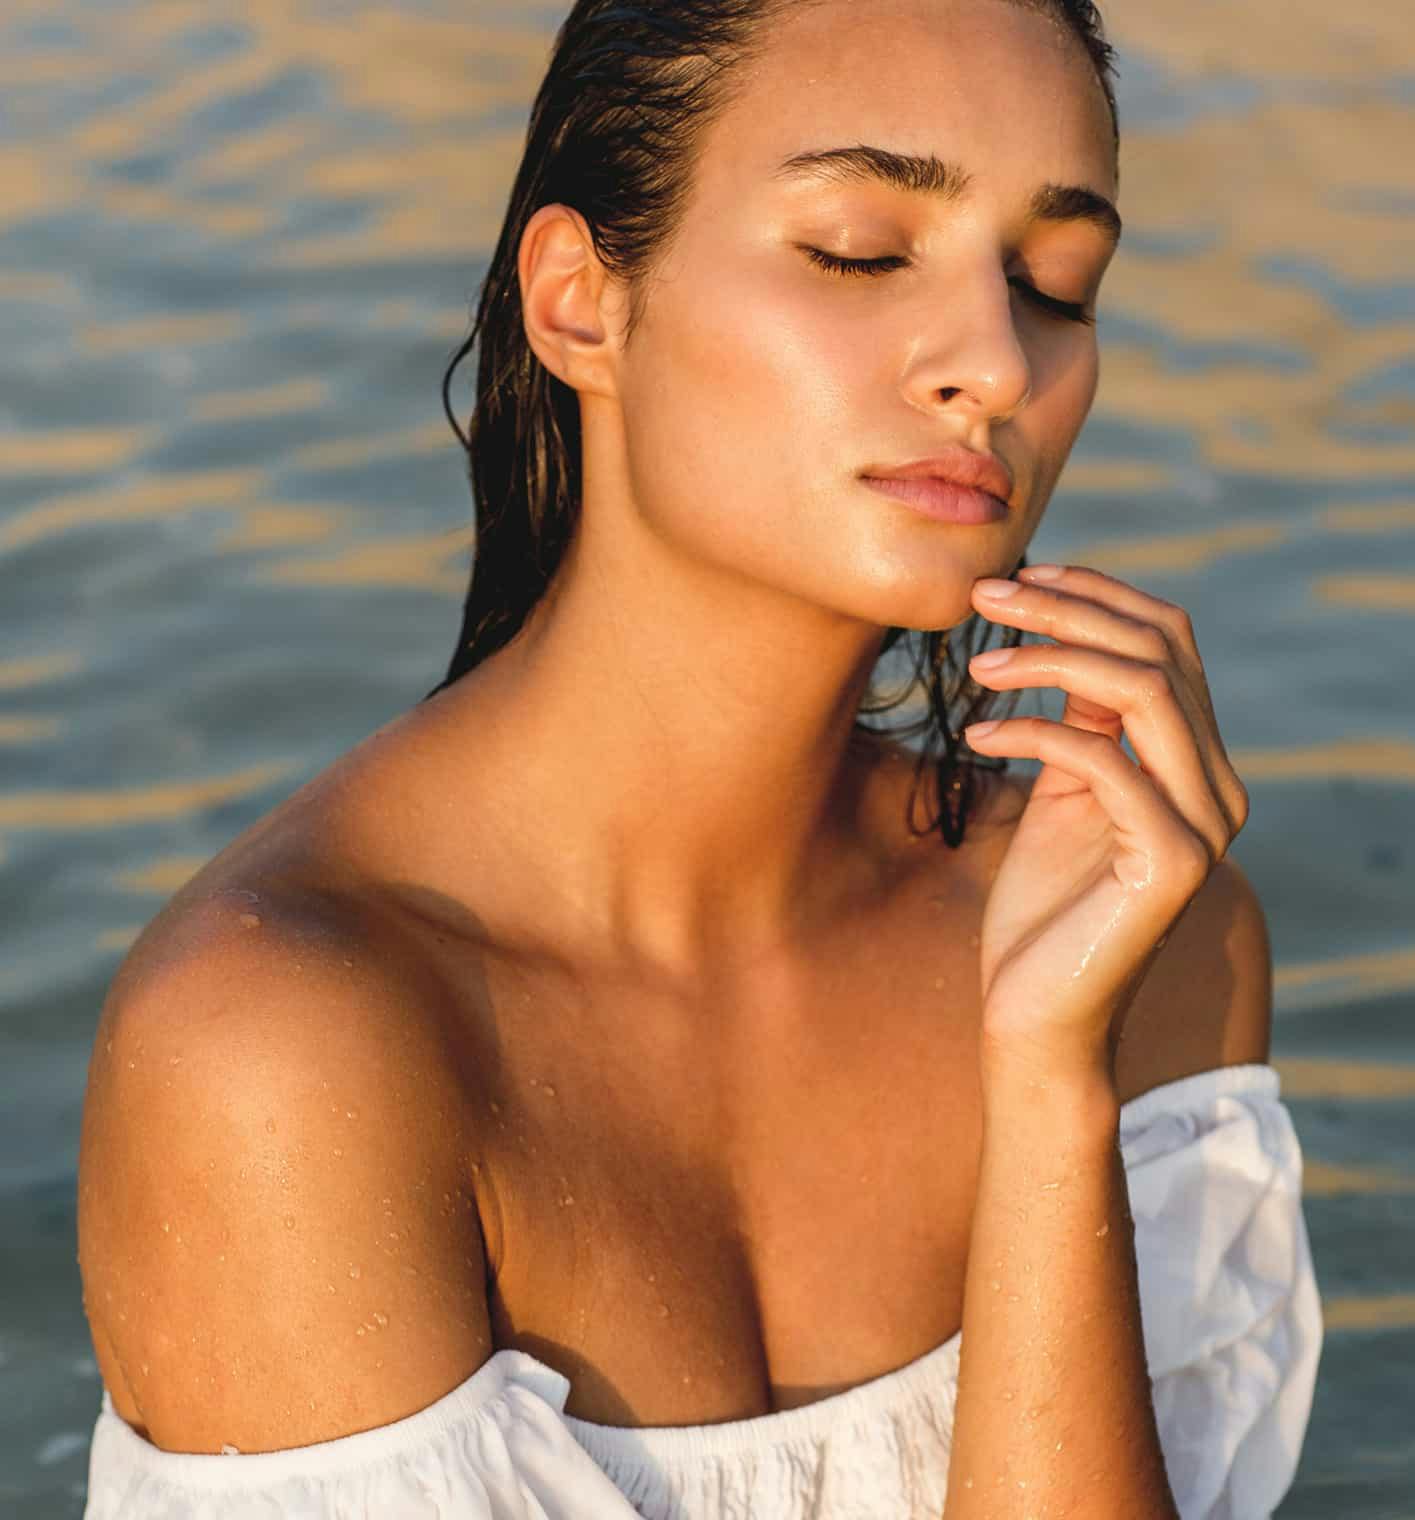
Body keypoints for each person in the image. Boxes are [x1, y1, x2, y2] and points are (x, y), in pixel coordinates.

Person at [77, 0, 1323, 1515]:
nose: (995, 362)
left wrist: (1050, 1084)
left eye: (1056, 281)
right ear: (580, 304)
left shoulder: (1148, 940)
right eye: (862, 249)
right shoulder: (286, 1044)